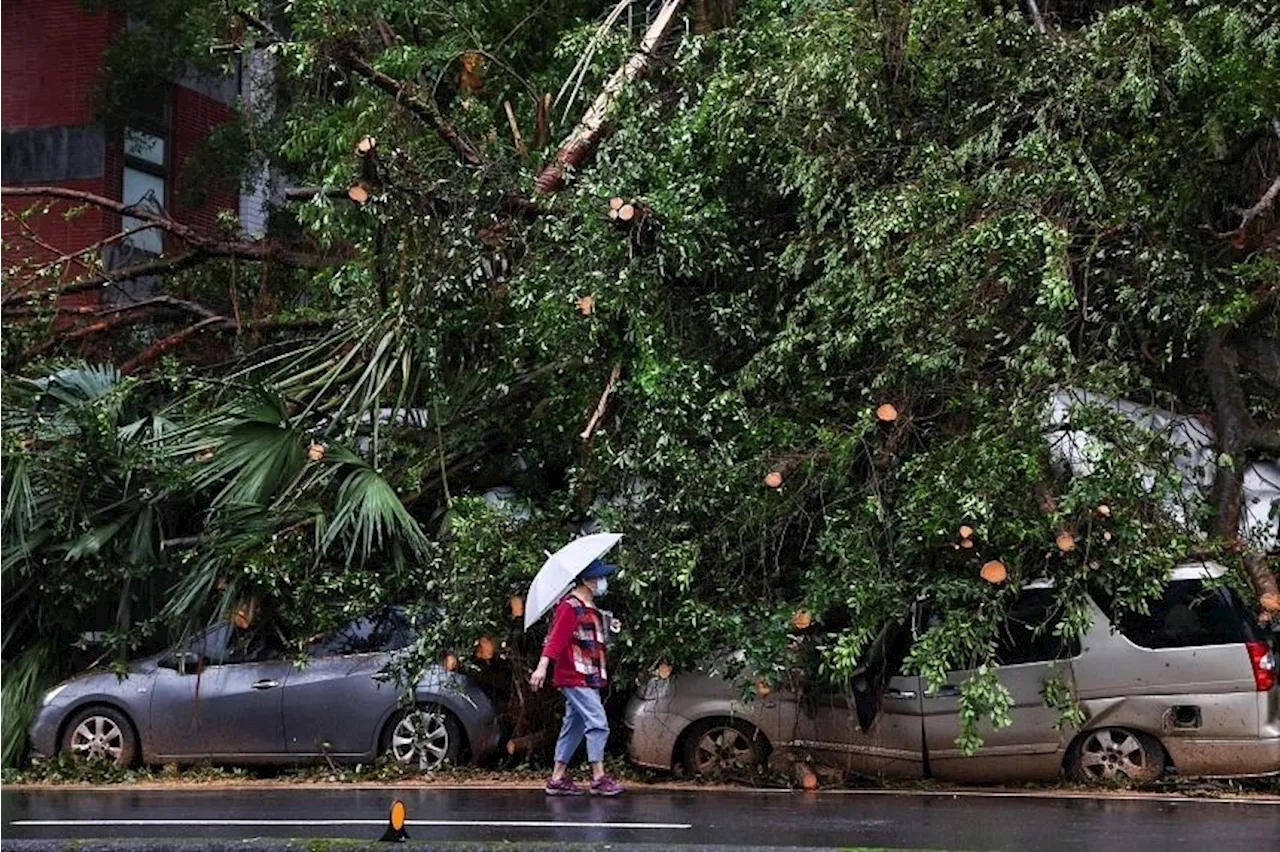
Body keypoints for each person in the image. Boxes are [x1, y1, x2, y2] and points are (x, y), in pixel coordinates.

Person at [529, 559, 624, 796]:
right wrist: (542, 667)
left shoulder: (590, 607)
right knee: (598, 722)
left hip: (589, 675)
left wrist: (612, 627)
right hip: (574, 675)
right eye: (599, 578)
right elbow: (555, 639)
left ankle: (557, 777)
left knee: (575, 724)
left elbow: (597, 640)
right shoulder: (569, 606)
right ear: (587, 580)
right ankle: (598, 776)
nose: (602, 582)